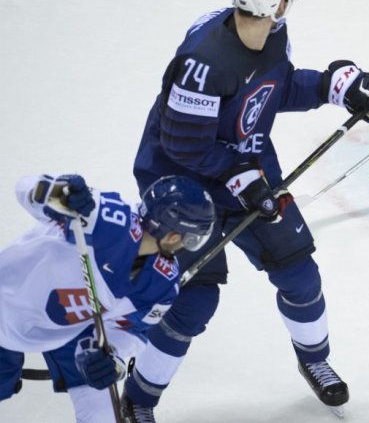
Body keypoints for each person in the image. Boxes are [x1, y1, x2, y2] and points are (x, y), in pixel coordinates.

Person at [121, 0, 369, 420]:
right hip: (181, 186)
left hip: (244, 168)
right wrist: (241, 176)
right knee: (194, 300)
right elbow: (184, 144)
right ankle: (139, 398)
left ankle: (315, 362)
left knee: (299, 275)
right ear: (279, 1)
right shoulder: (203, 61)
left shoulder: (271, 34)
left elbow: (272, 91)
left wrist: (336, 87)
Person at [0, 173, 215, 423]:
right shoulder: (101, 215)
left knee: (104, 416)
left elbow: (134, 331)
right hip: (6, 306)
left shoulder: (163, 283)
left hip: (75, 332)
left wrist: (114, 359)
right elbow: (25, 187)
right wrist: (56, 192)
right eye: (191, 238)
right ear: (173, 237)